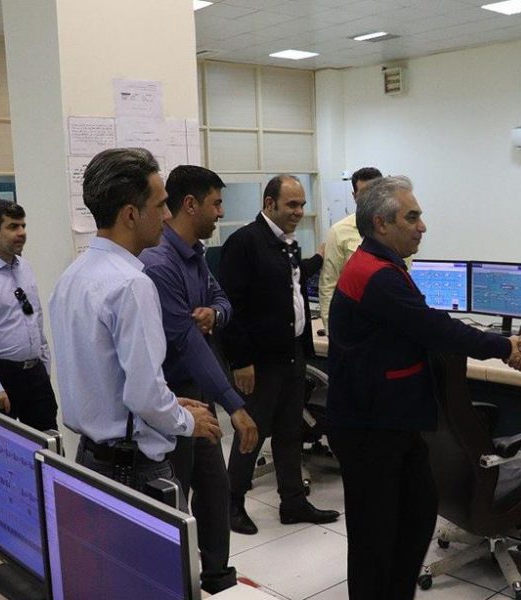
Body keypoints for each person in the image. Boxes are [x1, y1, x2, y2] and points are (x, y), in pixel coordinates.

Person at [327, 175, 521, 600]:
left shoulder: (380, 266)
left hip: (391, 422)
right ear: (381, 223)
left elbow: (420, 327)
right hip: (371, 428)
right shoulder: (377, 275)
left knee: (415, 517)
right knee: (375, 540)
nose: (422, 226)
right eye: (412, 217)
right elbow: (434, 328)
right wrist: (505, 346)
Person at [49, 147, 222, 494]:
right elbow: (144, 395)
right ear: (131, 214)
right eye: (161, 205)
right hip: (133, 469)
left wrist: (168, 404)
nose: (168, 215)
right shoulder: (132, 284)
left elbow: (107, 380)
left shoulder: (72, 276)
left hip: (91, 457)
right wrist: (185, 420)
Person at [140, 165, 259, 594]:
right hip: (170, 399)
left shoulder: (195, 255)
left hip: (197, 391)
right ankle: (177, 582)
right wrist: (235, 405)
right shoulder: (159, 264)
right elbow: (188, 341)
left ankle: (216, 576)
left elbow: (221, 300)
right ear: (190, 205)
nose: (221, 211)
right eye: (216, 203)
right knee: (177, 496)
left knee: (214, 486)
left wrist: (215, 313)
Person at [219, 174, 338, 534]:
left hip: (292, 353)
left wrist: (318, 259)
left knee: (290, 432)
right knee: (251, 433)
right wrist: (241, 361)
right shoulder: (245, 242)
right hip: (260, 362)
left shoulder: (286, 243)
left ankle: (293, 502)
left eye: (302, 205)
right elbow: (231, 306)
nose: (299, 211)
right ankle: (231, 503)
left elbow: (293, 285)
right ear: (269, 204)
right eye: (292, 205)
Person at [0, 200, 58, 431]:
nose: (22, 233)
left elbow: (35, 318)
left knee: (49, 443)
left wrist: (44, 367)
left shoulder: (25, 267)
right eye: (13, 227)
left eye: (23, 226)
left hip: (34, 374)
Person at [318, 166, 383, 330]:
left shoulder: (395, 229)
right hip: (353, 325)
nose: (371, 199)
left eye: (376, 193)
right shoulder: (339, 232)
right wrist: (331, 330)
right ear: (354, 197)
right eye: (365, 194)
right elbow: (328, 285)